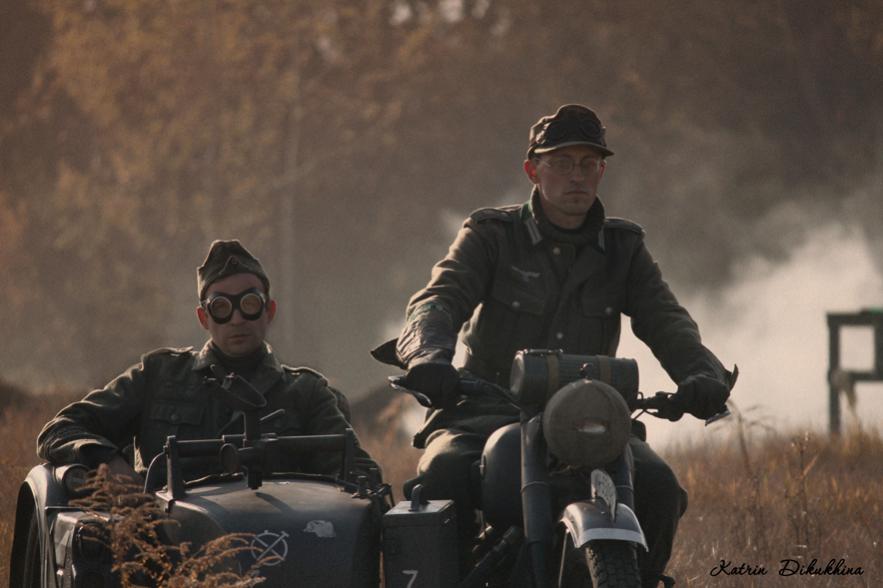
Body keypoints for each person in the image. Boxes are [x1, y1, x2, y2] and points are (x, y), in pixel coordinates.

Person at [373, 105, 735, 587]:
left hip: (591, 418)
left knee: (659, 485)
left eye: (588, 163)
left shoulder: (624, 249)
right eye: (562, 162)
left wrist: (701, 375)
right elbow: (439, 299)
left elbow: (667, 321)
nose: (576, 175)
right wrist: (427, 356)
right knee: (444, 472)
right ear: (533, 170)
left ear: (601, 172)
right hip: (486, 411)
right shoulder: (490, 236)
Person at [39, 239, 376, 482]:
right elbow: (61, 429)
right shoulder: (159, 376)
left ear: (269, 311)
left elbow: (359, 475)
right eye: (221, 308)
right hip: (163, 543)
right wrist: (111, 464)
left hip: (279, 543)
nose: (237, 319)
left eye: (249, 304)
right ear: (204, 318)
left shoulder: (306, 393)